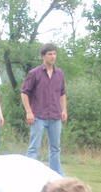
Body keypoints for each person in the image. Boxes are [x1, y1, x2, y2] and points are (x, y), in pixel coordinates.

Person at [21, 43, 67, 175]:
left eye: (54, 54)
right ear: (43, 56)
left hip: (55, 115)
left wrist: (64, 110)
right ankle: (28, 174)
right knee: (34, 147)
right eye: (50, 54)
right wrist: (29, 112)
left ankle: (56, 175)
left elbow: (62, 93)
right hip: (38, 116)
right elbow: (24, 93)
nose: (53, 57)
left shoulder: (59, 73)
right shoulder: (34, 73)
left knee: (55, 148)